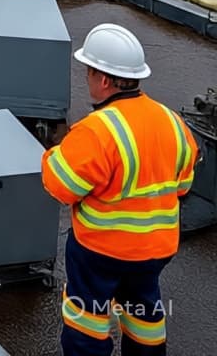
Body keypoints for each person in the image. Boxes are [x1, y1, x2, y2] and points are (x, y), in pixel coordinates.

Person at [41, 22, 198, 355]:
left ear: (104, 80)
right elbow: (183, 185)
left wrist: (56, 150)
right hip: (156, 249)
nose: (87, 80)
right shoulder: (172, 122)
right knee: (143, 313)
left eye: (88, 73)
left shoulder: (96, 130)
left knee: (88, 317)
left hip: (101, 251)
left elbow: (61, 187)